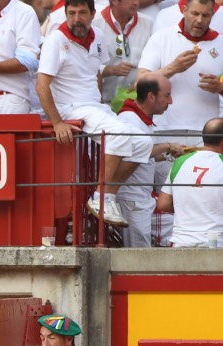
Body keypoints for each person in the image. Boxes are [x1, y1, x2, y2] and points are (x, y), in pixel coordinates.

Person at [36, 0, 153, 228]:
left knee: (143, 143)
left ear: (92, 14)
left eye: (81, 13)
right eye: (71, 13)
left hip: (94, 106)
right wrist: (57, 122)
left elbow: (96, 73)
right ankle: (101, 198)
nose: (76, 18)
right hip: (71, 108)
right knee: (118, 134)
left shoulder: (97, 35)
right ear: (65, 14)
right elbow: (41, 86)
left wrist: (100, 102)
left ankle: (105, 196)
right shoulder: (55, 40)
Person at [137, 0, 223, 145]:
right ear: (184, 10)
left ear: (212, 15)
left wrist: (220, 88)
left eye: (205, 15)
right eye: (195, 13)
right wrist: (173, 68)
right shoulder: (162, 37)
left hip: (206, 133)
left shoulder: (220, 42)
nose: (199, 20)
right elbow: (140, 82)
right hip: (165, 127)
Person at [115, 74, 184, 247]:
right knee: (138, 252)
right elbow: (133, 154)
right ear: (151, 96)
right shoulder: (129, 120)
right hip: (132, 198)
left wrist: (169, 153)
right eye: (167, 96)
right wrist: (167, 146)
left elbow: (144, 154)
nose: (171, 102)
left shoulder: (139, 119)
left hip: (141, 197)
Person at [157, 117, 223, 247]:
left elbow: (162, 204)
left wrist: (190, 207)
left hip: (181, 242)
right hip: (217, 243)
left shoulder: (180, 161)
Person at [93, 0, 153, 108]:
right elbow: (83, 64)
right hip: (104, 104)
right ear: (115, 1)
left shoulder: (148, 24)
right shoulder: (95, 24)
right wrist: (110, 70)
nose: (136, 3)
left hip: (136, 105)